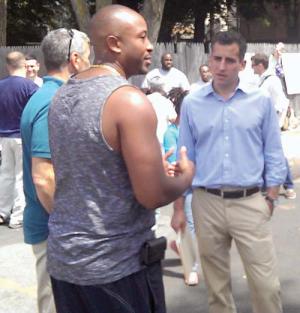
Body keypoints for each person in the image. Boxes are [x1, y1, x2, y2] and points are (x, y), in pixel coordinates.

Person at [47, 5, 194, 313]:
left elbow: (90, 166)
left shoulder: (62, 95)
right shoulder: (127, 99)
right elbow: (152, 195)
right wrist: (184, 177)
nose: (151, 45)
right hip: (117, 268)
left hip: (65, 262)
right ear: (115, 44)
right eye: (142, 37)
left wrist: (147, 168)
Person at [172, 30, 286, 313]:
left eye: (230, 60)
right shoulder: (192, 104)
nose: (221, 67)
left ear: (242, 65)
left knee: (266, 287)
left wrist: (271, 197)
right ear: (209, 59)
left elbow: (274, 152)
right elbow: (185, 158)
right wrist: (177, 208)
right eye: (217, 58)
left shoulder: (259, 101)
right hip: (206, 203)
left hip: (250, 202)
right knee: (217, 289)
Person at [20, 28, 90, 313]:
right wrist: (69, 224)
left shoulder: (48, 95)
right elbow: (43, 176)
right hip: (54, 232)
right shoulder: (53, 101)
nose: (90, 63)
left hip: (54, 229)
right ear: (75, 59)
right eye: (88, 56)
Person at [164, 87, 200, 286]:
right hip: (184, 188)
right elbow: (174, 165)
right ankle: (191, 269)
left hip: (203, 185)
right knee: (189, 226)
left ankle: (180, 248)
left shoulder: (198, 128)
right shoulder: (172, 133)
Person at [0, 51, 38, 228]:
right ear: (24, 65)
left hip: (3, 137)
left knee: (5, 174)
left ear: (8, 66)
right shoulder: (29, 87)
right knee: (21, 176)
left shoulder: (1, 86)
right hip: (22, 137)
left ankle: (2, 212)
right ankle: (17, 217)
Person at [251, 53, 296, 200]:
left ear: (259, 65)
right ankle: (265, 185)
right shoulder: (261, 80)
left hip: (271, 124)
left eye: (253, 65)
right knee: (262, 153)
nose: (251, 68)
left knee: (276, 155)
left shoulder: (272, 80)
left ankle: (289, 186)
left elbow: (282, 102)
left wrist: (275, 122)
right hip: (261, 124)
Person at [147, 76, 177, 149]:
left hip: (146, 140)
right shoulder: (167, 102)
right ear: (163, 88)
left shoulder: (143, 99)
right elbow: (173, 119)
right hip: (162, 139)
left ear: (150, 88)